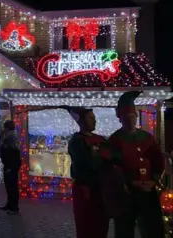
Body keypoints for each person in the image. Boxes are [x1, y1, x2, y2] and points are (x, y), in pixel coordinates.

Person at [109, 91, 165, 238]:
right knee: (124, 230)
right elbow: (112, 168)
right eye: (127, 117)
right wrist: (128, 183)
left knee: (153, 228)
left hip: (148, 192)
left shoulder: (147, 138)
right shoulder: (114, 140)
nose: (130, 120)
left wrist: (153, 180)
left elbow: (158, 161)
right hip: (126, 195)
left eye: (133, 116)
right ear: (120, 119)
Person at [63, 106, 110, 238]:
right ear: (81, 121)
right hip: (85, 189)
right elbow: (88, 162)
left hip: (101, 189)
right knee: (86, 225)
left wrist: (99, 156)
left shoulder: (101, 139)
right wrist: (101, 157)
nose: (94, 121)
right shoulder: (77, 141)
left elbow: (111, 157)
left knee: (101, 226)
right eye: (90, 118)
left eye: (94, 118)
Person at [0, 120, 21, 214]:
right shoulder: (9, 136)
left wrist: (11, 166)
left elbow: (15, 153)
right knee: (9, 186)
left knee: (12, 186)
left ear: (7, 128)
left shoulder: (11, 137)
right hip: (8, 164)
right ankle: (9, 204)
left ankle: (14, 208)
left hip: (11, 165)